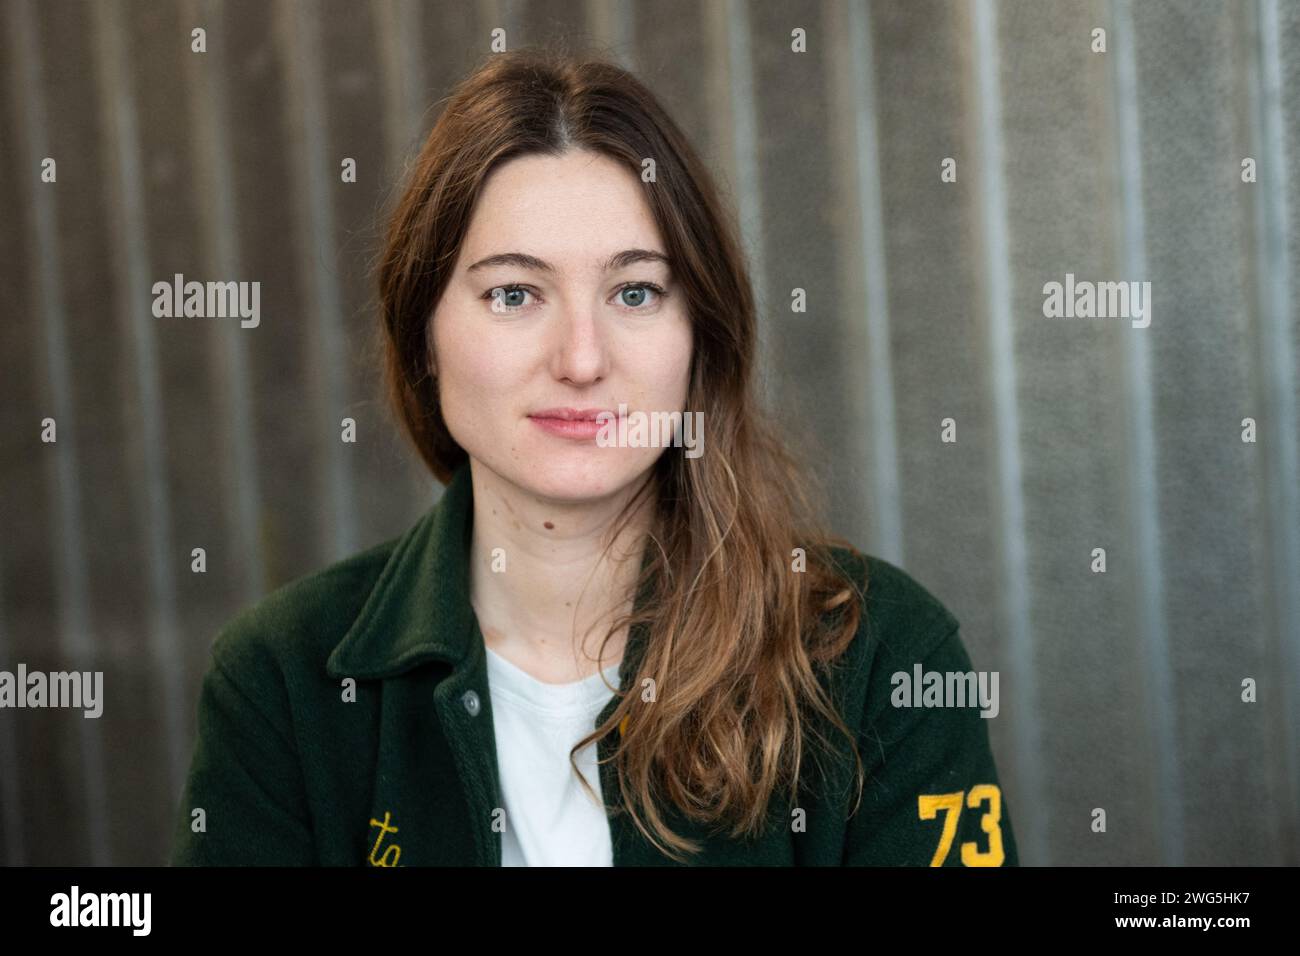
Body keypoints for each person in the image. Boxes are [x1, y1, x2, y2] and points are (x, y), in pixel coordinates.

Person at [169, 45, 1017, 867]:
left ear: (700, 336)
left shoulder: (878, 657)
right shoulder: (284, 684)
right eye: (514, 293)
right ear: (423, 333)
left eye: (635, 292)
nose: (581, 359)